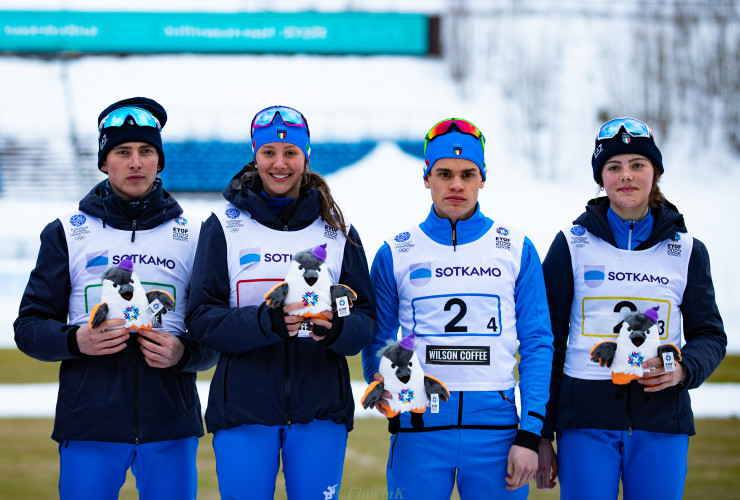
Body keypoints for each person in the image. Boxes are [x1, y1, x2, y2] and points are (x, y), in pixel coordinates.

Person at [14, 97, 216, 499]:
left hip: (170, 425)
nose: (135, 162)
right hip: (89, 425)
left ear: (160, 161)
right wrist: (76, 340)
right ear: (105, 162)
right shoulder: (67, 233)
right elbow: (28, 328)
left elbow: (213, 332)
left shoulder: (196, 235)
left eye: (146, 151)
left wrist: (184, 353)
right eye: (122, 152)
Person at [185, 105, 376, 500]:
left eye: (290, 152)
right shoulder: (223, 225)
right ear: (255, 155)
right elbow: (201, 317)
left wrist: (337, 327)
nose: (279, 163)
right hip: (243, 412)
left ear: (306, 157)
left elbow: (365, 319)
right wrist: (266, 323)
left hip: (322, 412)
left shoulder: (338, 231)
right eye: (269, 152)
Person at [361, 118, 554, 499]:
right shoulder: (396, 251)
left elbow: (537, 343)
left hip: (498, 438)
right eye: (444, 173)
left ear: (483, 178)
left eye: (468, 174)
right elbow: (378, 336)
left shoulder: (516, 248)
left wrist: (530, 435)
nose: (456, 184)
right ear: (426, 177)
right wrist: (379, 379)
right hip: (419, 430)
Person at [536, 117, 727, 499]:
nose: (626, 176)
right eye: (614, 166)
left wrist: (684, 369)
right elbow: (546, 343)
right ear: (601, 178)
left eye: (637, 165)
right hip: (583, 422)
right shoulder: (570, 245)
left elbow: (709, 335)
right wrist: (541, 433)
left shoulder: (688, 250)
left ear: (655, 173)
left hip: (662, 420)